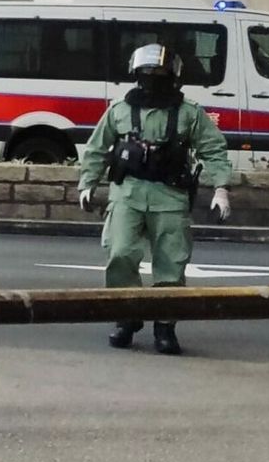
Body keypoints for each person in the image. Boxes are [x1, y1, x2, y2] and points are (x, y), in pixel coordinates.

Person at [78, 43, 233, 356]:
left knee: (171, 266)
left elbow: (213, 150)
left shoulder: (189, 113)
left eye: (159, 73)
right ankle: (126, 316)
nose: (152, 79)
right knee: (120, 254)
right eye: (146, 73)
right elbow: (97, 148)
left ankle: (165, 326)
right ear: (137, 75)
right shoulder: (120, 109)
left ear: (172, 76)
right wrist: (88, 183)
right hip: (128, 193)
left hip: (170, 196)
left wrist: (221, 188)